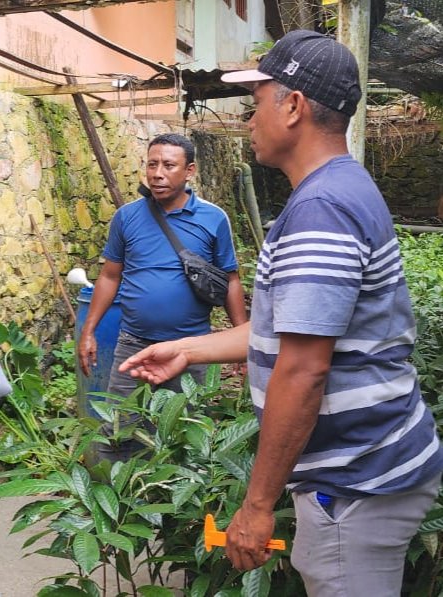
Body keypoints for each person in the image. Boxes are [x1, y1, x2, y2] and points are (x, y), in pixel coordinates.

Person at [120, 30, 443, 596]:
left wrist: (257, 504)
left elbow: (304, 368)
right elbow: (287, 333)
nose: (248, 119)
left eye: (256, 102)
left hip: (355, 483)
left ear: (292, 106)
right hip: (369, 471)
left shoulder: (320, 209)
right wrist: (189, 349)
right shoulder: (341, 188)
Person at [78, 133, 247, 398]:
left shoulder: (213, 218)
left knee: (185, 427)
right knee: (120, 427)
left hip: (191, 347)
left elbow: (231, 280)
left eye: (168, 165)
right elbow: (110, 277)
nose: (157, 174)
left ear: (189, 170)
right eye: (151, 164)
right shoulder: (127, 217)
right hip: (133, 344)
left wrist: (241, 341)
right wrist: (88, 331)